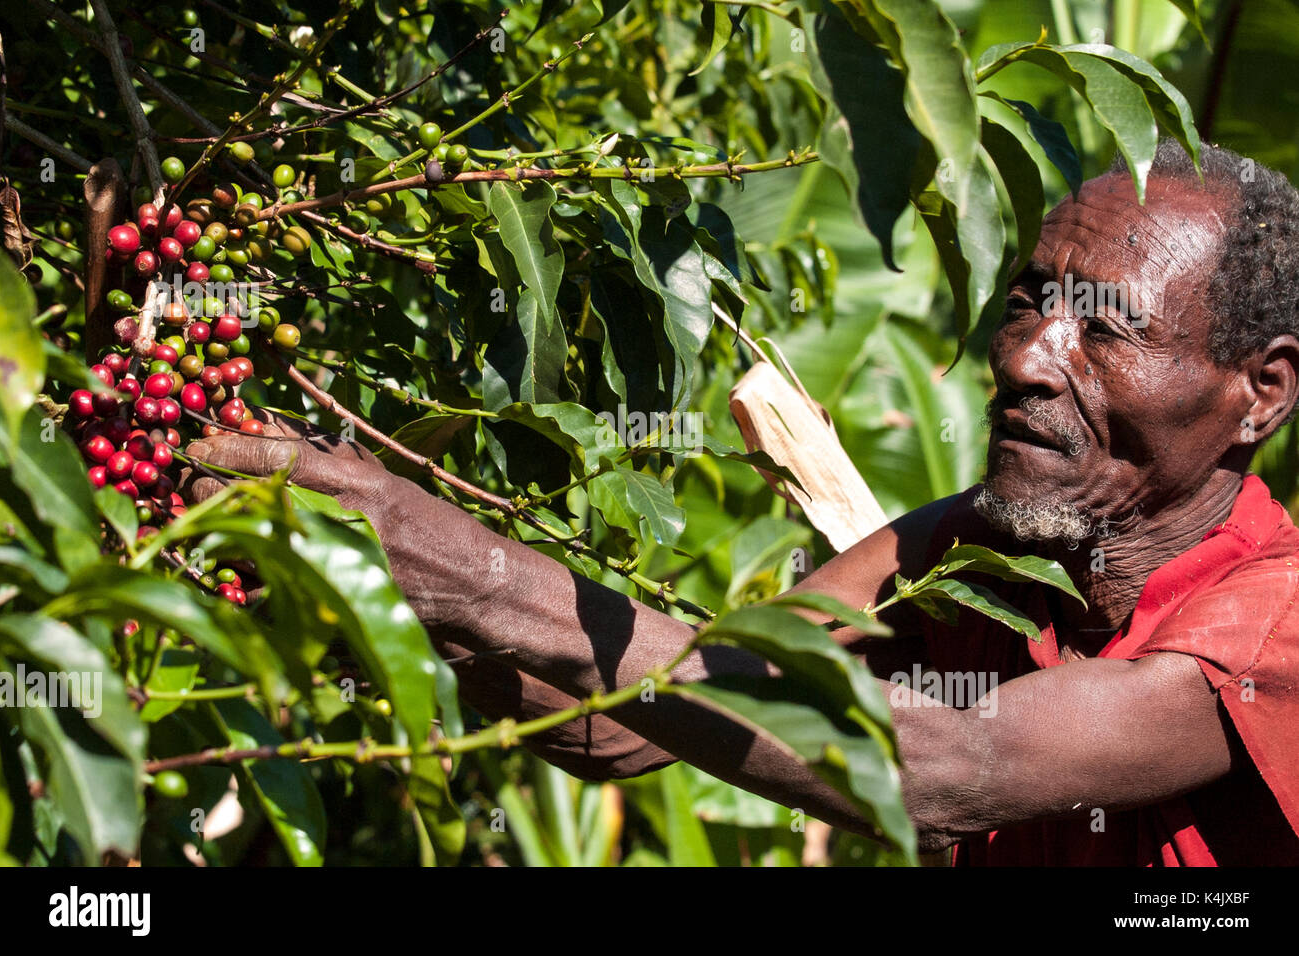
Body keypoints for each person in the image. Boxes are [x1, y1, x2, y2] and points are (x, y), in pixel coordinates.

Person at [182, 140, 1299, 865]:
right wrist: (378, 564)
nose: (1027, 359)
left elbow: (953, 763)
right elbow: (623, 727)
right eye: (1027, 303)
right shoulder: (977, 548)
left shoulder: (1275, 617)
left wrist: (462, 561)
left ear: (1260, 392)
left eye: (1105, 326)